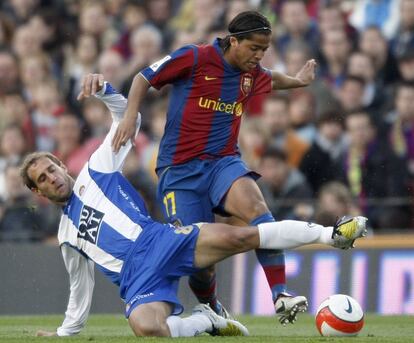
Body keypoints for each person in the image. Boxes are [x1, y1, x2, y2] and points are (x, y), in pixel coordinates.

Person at [23, 74, 368, 337]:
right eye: (42, 178)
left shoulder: (97, 169)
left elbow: (126, 119)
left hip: (159, 240)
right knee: (146, 327)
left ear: (62, 165)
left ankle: (332, 234)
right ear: (39, 192)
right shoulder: (67, 234)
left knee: (241, 237)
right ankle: (206, 320)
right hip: (137, 280)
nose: (51, 177)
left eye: (51, 168)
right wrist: (65, 332)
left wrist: (103, 89)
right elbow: (80, 286)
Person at [111, 10, 317, 323]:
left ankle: (280, 294)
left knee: (259, 212)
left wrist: (298, 81)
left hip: (224, 163)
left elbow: (272, 78)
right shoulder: (195, 58)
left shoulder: (252, 73)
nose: (259, 56)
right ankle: (211, 306)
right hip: (179, 173)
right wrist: (129, 118)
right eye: (254, 48)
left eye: (265, 49)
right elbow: (144, 78)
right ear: (234, 41)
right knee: (201, 264)